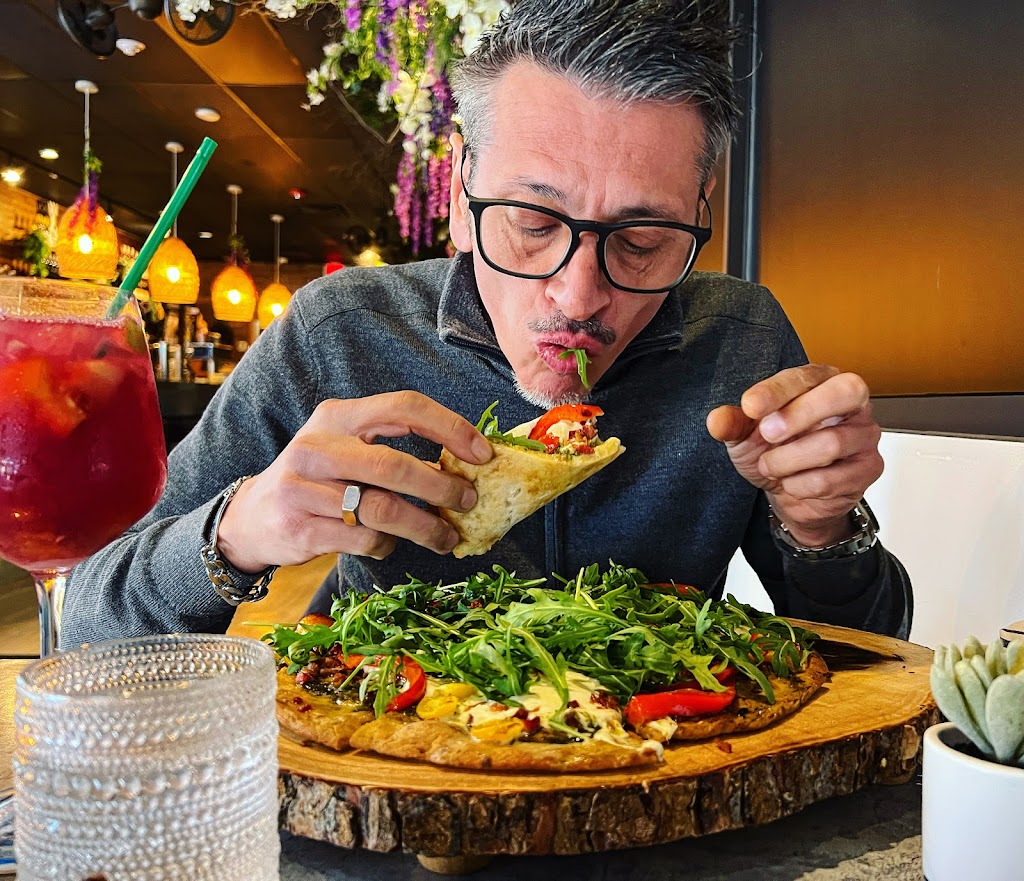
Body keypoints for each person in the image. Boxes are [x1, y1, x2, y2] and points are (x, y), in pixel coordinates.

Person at [61, 0, 911, 648]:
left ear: (700, 210)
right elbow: (91, 614)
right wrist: (236, 532)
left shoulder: (744, 342)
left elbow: (875, 649)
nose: (577, 295)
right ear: (461, 193)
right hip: (390, 764)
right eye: (532, 223)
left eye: (644, 240)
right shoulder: (338, 332)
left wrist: (821, 530)